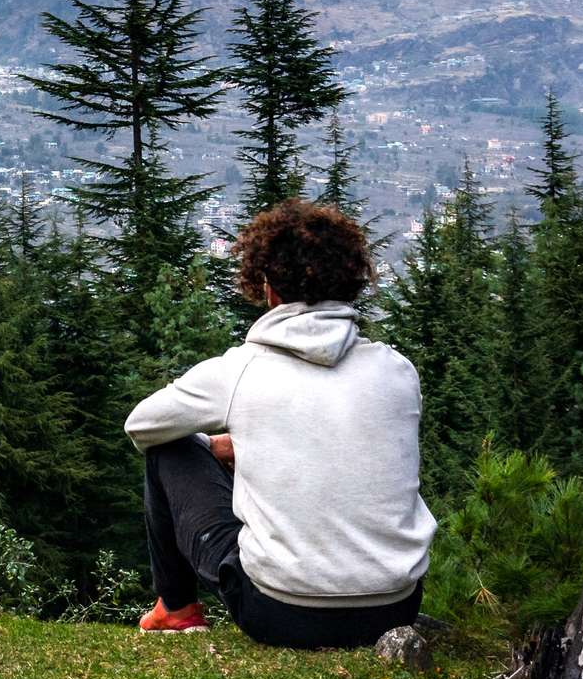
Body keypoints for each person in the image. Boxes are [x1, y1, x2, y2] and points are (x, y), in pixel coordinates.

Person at [122, 198, 430, 647]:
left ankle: (176, 609)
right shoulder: (398, 371)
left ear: (268, 288)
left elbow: (142, 425)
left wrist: (223, 443)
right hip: (395, 608)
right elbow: (344, 440)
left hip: (280, 614)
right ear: (351, 280)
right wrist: (253, 439)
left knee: (170, 447)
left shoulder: (241, 370)